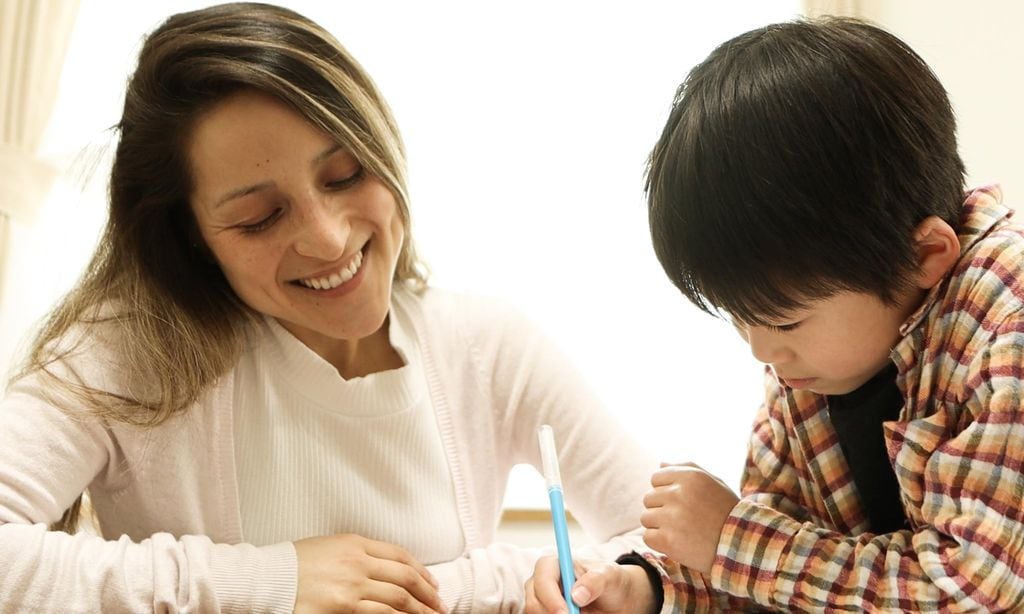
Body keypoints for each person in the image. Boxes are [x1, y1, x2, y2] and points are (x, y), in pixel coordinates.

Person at [0, 3, 659, 612]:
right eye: (259, 218)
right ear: (190, 237)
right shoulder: (129, 353)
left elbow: (665, 543)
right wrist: (274, 584)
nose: (330, 237)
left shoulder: (482, 344)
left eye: (345, 176)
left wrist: (575, 585)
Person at [526, 16, 1024, 613]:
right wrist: (646, 592)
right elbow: (788, 580)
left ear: (925, 256)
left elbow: (969, 590)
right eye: (740, 318)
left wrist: (732, 537)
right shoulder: (811, 368)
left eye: (785, 321)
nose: (762, 351)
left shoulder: (1007, 322)